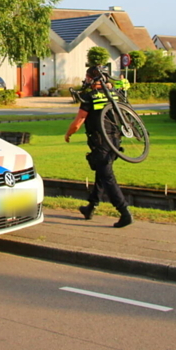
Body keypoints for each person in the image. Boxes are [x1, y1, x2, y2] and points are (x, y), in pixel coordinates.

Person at [64, 66, 133, 228]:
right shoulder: (113, 94)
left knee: (108, 178)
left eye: (87, 77)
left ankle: (124, 212)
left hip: (101, 142)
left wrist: (68, 134)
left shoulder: (90, 97)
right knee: (101, 173)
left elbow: (79, 121)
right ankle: (91, 207)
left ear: (91, 79)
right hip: (115, 142)